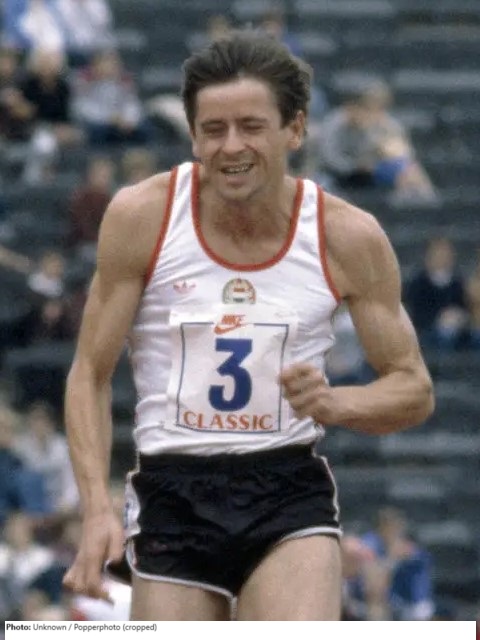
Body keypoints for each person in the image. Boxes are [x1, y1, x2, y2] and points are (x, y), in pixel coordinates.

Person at [62, 31, 434, 621]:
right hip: (171, 491)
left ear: (295, 128)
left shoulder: (345, 235)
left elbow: (413, 388)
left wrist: (336, 403)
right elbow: (89, 372)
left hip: (285, 488)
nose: (231, 146)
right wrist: (95, 510)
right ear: (192, 135)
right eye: (214, 130)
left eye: (251, 126)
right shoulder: (143, 217)